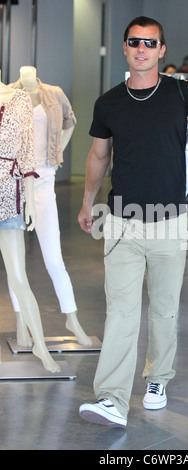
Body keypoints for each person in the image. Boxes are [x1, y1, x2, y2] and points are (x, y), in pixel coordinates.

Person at [78, 16, 188, 427]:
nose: (141, 48)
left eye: (150, 42)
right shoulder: (108, 102)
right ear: (124, 48)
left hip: (169, 221)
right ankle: (112, 399)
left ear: (161, 51)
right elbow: (98, 156)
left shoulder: (181, 95)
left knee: (163, 310)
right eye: (134, 42)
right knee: (120, 313)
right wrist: (88, 202)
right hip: (121, 222)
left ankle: (157, 379)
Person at [8, 66, 91, 347]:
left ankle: (72, 318)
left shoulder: (53, 94)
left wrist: (58, 154)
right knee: (15, 264)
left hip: (44, 178)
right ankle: (21, 321)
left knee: (53, 257)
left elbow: (71, 122)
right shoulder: (7, 93)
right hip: (12, 182)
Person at [0, 71, 60, 373]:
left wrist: (28, 200)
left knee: (19, 276)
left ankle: (40, 346)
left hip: (7, 194)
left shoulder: (20, 100)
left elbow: (26, 155)